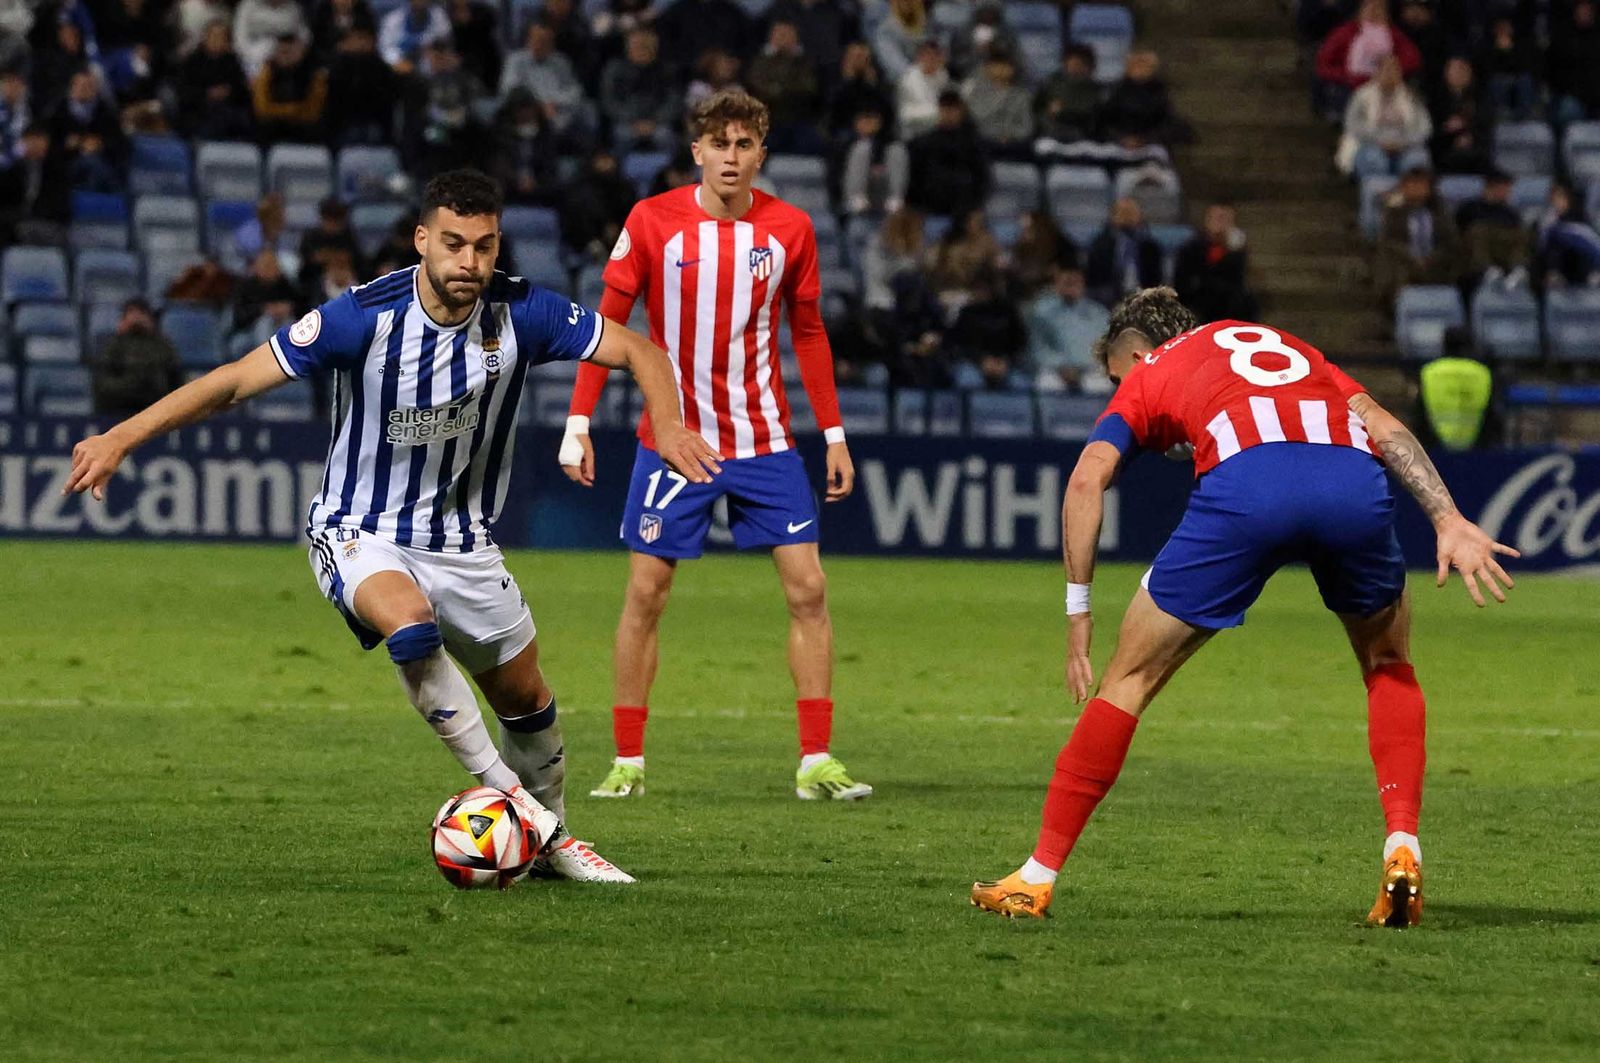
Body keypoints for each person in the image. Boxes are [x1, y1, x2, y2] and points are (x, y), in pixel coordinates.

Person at [65, 169, 722, 884]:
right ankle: (535, 822)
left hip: (462, 539)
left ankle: (546, 837)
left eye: (483, 245)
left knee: (527, 699)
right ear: (420, 241)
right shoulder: (362, 315)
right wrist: (121, 436)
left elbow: (642, 352)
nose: (469, 262)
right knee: (410, 628)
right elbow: (230, 381)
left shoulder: (522, 310)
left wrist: (668, 423)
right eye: (452, 244)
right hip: (358, 528)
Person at [971, 286, 1518, 924]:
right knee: (1388, 661)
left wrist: (1077, 614)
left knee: (1129, 678)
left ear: (1137, 351)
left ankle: (1034, 878)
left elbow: (1088, 476)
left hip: (1248, 484)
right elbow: (1386, 426)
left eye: (1115, 378)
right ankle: (1402, 844)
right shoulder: (1284, 344)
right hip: (1351, 480)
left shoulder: (1148, 373)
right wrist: (1447, 517)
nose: (1119, 390)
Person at [558, 91, 873, 803]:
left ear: (761, 154)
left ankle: (817, 760)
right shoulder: (651, 221)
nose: (731, 157)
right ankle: (628, 762)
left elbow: (811, 334)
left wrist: (835, 436)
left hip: (764, 439)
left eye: (745, 144)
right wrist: (578, 423)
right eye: (718, 143)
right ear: (696, 151)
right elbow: (605, 324)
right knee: (646, 591)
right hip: (674, 440)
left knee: (810, 588)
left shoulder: (791, 229)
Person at [89, 298, 182, 415]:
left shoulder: (163, 346)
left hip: (157, 410)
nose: (136, 317)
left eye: (141, 313)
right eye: (131, 312)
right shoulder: (112, 345)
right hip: (119, 411)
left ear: (151, 319)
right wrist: (132, 383)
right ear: (122, 320)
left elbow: (176, 382)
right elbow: (102, 384)